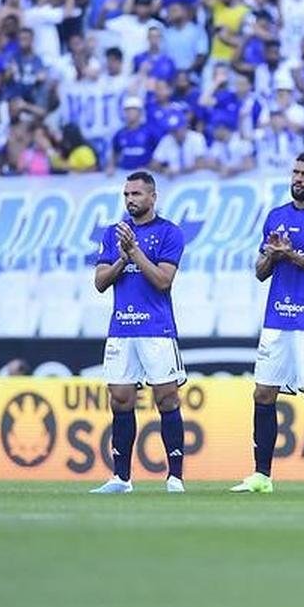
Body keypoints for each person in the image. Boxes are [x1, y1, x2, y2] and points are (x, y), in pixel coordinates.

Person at [230, 152, 304, 495]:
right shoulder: (276, 217)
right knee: (263, 392)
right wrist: (272, 253)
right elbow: (260, 271)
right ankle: (262, 476)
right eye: (295, 172)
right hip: (278, 317)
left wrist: (293, 255)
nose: (298, 178)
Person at [89, 171, 189, 494]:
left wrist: (135, 253)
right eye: (127, 195)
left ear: (152, 197)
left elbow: (163, 280)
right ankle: (121, 478)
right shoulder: (113, 233)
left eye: (137, 194)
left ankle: (174, 477)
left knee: (167, 399)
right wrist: (121, 257)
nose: (131, 200)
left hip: (157, 329)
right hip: (121, 328)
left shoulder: (169, 233)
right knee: (119, 399)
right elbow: (101, 282)